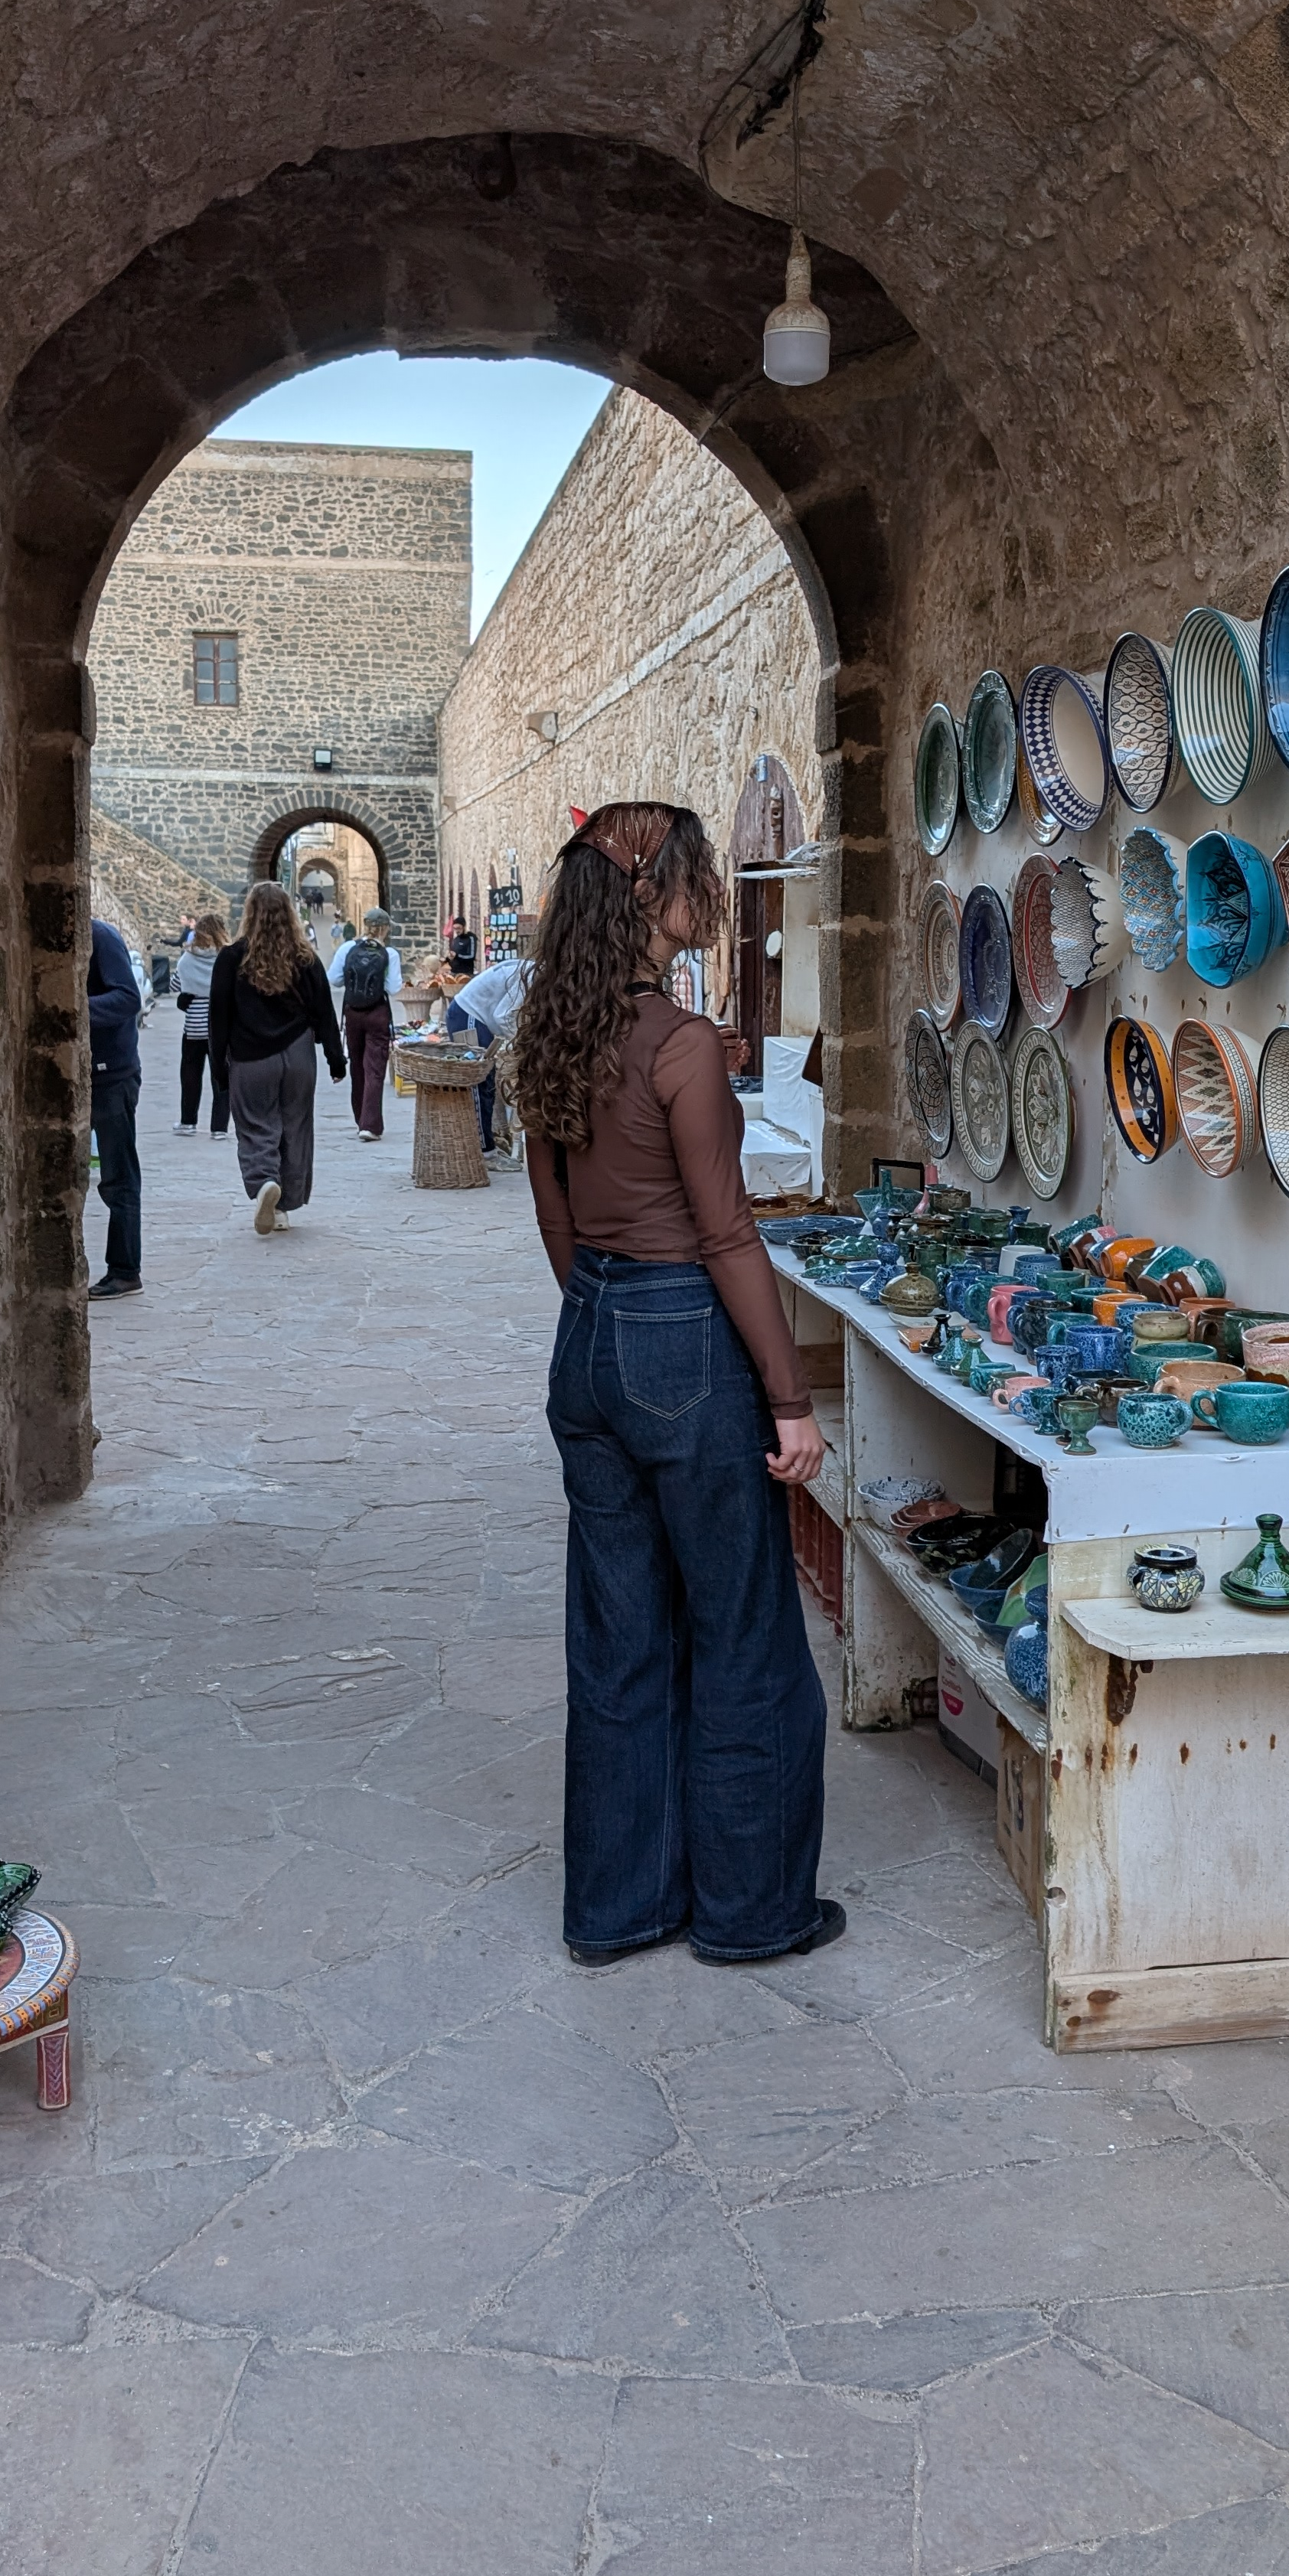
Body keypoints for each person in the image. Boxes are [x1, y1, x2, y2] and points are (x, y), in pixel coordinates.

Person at [519, 801, 840, 1971]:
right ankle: (753, 1912)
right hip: (678, 1338)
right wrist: (791, 1400)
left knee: (618, 1642)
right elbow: (730, 1238)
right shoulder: (681, 1044)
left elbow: (555, 1221)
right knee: (745, 1633)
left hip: (590, 1331)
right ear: (652, 898)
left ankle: (620, 1906)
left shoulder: (552, 1032)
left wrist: (599, 1319)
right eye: (697, 877)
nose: (709, 892)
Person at [209, 882, 346, 1234]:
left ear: (249, 914)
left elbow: (218, 1019)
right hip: (298, 1053)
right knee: (295, 1127)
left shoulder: (231, 958)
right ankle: (283, 1208)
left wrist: (218, 1071)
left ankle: (265, 1183)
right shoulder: (307, 959)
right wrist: (335, 1058)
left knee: (256, 1126)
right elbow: (325, 1013)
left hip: (251, 1057)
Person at [86, 918, 143, 1299]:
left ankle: (124, 1271)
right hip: (87, 1073)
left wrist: (75, 1006)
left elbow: (128, 997)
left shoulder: (101, 938)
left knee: (117, 1177)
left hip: (112, 1077)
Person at [445, 947, 533, 1154]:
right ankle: (484, 1151)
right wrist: (521, 1043)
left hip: (474, 1017)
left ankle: (487, 1145)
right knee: (479, 1083)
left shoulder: (531, 972)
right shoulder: (532, 977)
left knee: (486, 1084)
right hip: (468, 1015)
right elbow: (504, 1015)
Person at [330, 904, 403, 1140]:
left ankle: (359, 1118)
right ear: (385, 929)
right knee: (375, 1068)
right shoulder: (389, 954)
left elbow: (334, 979)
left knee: (357, 1067)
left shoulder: (348, 949)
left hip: (353, 1013)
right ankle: (370, 1125)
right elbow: (393, 988)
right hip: (377, 1014)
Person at [171, 908, 229, 1135]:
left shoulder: (187, 958)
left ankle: (188, 1122)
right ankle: (219, 1128)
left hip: (194, 1025)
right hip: (220, 1025)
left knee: (190, 1074)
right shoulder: (226, 958)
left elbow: (176, 986)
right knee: (221, 1076)